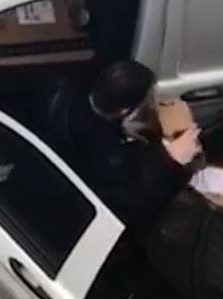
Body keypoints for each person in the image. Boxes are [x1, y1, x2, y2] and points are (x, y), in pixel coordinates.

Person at [69, 60, 201, 237]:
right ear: (125, 111)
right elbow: (142, 204)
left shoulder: (71, 99)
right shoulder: (111, 158)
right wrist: (171, 159)